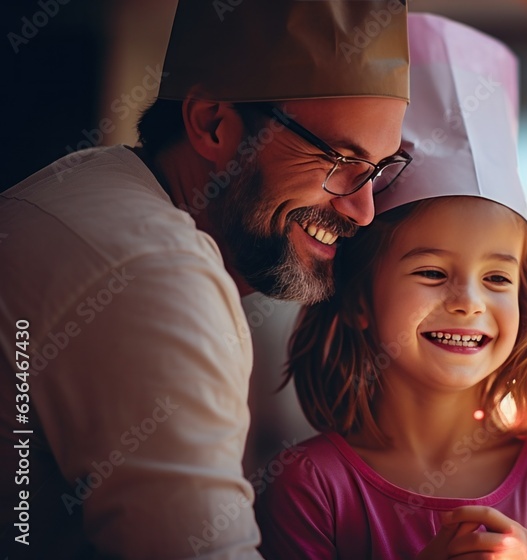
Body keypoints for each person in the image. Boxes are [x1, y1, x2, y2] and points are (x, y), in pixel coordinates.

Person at [0, 1, 409, 558]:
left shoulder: (93, 183)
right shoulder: (154, 271)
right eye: (339, 160)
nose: (363, 210)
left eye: (381, 169)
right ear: (213, 123)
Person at [255, 13, 527, 559]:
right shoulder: (310, 486)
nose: (468, 301)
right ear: (357, 300)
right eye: (431, 272)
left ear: (526, 299)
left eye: (497, 278)